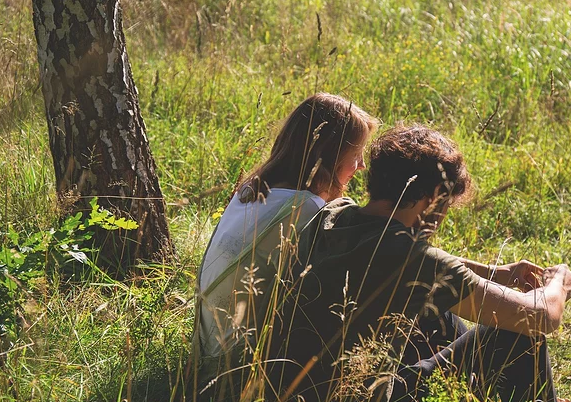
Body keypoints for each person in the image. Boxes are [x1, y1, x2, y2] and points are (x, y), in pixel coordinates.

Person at [267, 124, 571, 402]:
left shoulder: (334, 215)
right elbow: (540, 316)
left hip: (290, 389)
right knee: (517, 336)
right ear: (431, 198)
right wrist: (558, 279)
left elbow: (403, 260)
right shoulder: (413, 260)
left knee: (441, 317)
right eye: (446, 205)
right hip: (359, 395)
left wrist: (493, 273)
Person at [191, 93, 378, 401]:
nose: (360, 166)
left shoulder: (250, 191)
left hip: (209, 350)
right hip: (246, 366)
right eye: (356, 154)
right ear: (329, 154)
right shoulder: (307, 209)